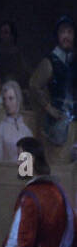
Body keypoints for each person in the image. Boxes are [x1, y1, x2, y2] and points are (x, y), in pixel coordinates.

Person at [29, 15, 77, 149]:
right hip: (58, 118)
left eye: (69, 32)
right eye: (62, 32)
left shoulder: (74, 59)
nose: (66, 36)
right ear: (57, 36)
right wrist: (48, 108)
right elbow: (34, 85)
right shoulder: (50, 61)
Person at [0, 80, 34, 163]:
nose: (7, 103)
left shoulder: (26, 130)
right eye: (4, 99)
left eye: (11, 98)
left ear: (18, 99)